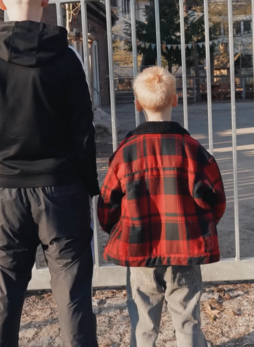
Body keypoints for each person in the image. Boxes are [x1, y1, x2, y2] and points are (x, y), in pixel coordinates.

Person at [0, 0, 99, 347]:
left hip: (3, 190)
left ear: (1, 1)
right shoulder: (67, 58)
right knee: (73, 295)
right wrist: (88, 186)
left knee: (3, 295)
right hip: (61, 190)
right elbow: (83, 131)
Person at [97, 67, 226, 347]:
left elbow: (107, 203)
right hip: (184, 248)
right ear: (175, 100)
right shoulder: (192, 150)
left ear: (137, 104)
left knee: (143, 320)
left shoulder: (125, 152)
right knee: (187, 318)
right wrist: (200, 225)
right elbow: (216, 198)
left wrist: (120, 229)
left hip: (140, 247)